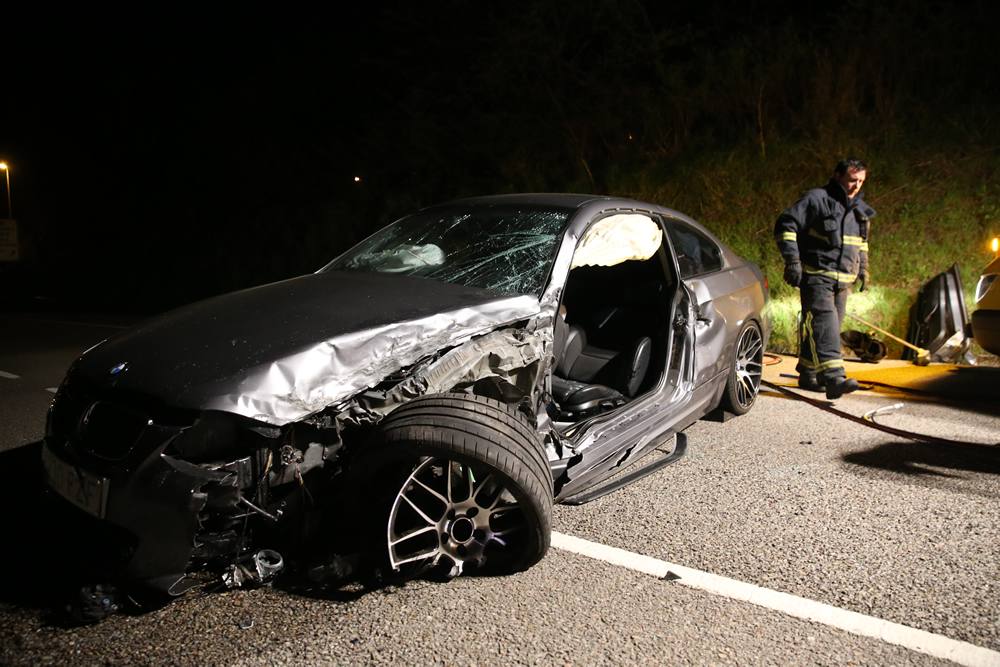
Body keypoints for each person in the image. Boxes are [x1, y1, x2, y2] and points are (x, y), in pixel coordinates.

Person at [774, 158, 876, 399]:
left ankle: (809, 374)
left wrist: (864, 270)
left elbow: (861, 244)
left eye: (861, 181)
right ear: (838, 175)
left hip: (844, 281)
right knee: (825, 321)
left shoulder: (859, 211)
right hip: (816, 276)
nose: (856, 186)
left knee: (827, 327)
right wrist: (793, 262)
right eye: (852, 180)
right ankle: (834, 378)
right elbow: (785, 225)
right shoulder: (816, 199)